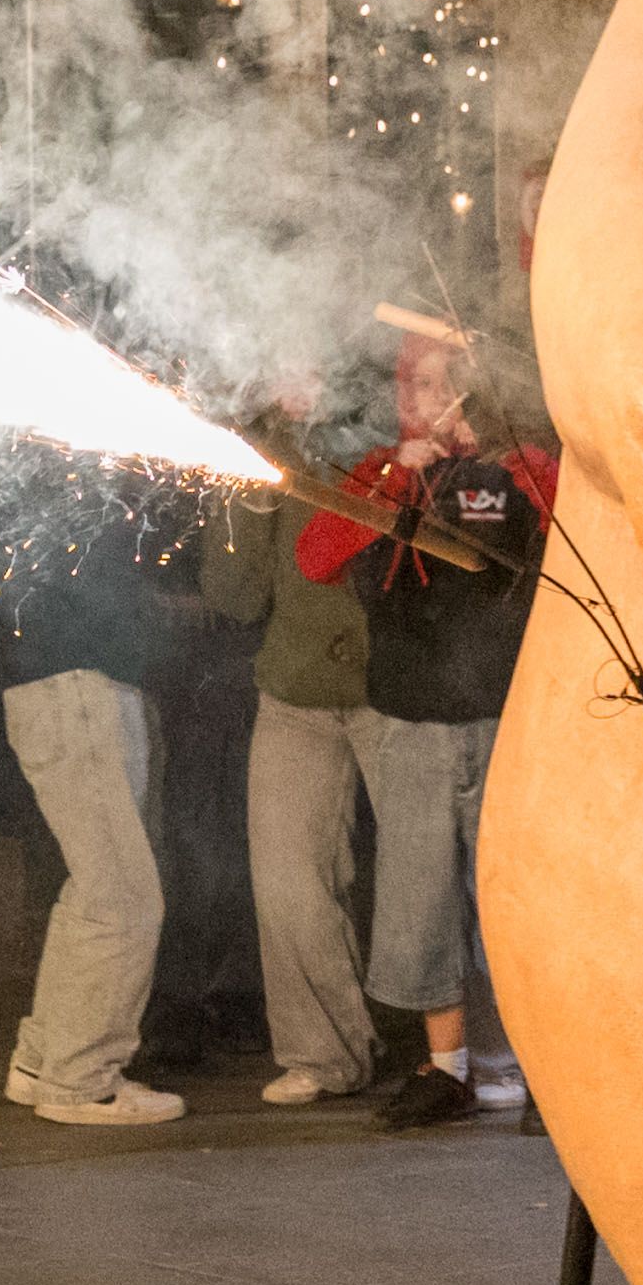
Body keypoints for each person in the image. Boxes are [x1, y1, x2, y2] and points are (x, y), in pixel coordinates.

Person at [298, 327, 554, 1128]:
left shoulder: (519, 468)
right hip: (407, 719)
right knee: (417, 896)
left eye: (441, 388)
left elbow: (565, 527)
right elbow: (316, 555)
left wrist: (501, 463)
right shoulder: (379, 472)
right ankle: (444, 1067)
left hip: (505, 719)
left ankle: (550, 1074)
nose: (425, 404)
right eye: (413, 389)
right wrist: (396, 488)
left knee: (512, 901)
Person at [201, 396, 412, 1108]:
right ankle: (325, 1056)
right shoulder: (254, 447)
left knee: (438, 871)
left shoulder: (387, 423)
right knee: (289, 883)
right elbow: (231, 597)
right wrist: (250, 503)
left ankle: (488, 1052)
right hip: (294, 692)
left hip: (397, 687)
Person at [0, 463, 197, 1129]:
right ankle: (81, 1079)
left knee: (95, 887)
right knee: (123, 898)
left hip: (70, 684)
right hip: (77, 686)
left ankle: (43, 1059)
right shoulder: (66, 462)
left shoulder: (39, 463)